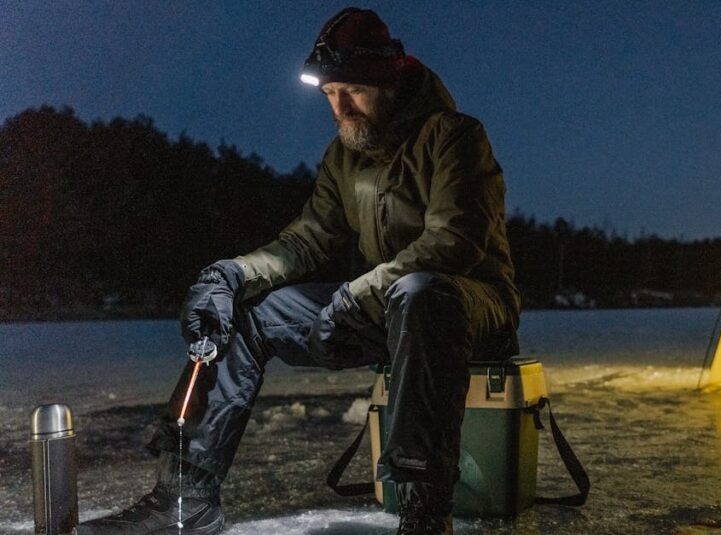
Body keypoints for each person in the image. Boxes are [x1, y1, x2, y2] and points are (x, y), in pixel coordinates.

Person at [73, 7, 520, 535]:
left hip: (469, 306)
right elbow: (307, 240)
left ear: (388, 82)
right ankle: (186, 498)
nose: (339, 107)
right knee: (247, 314)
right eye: (330, 93)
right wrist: (231, 275)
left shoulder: (454, 137)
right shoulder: (344, 157)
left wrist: (355, 296)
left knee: (420, 293)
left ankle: (423, 514)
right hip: (384, 305)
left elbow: (453, 241)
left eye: (353, 91)